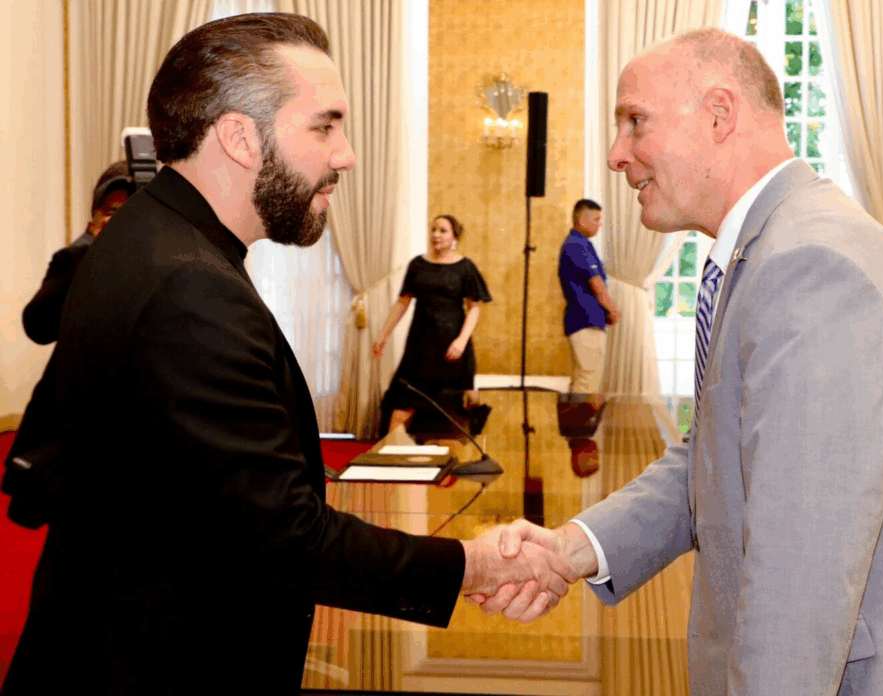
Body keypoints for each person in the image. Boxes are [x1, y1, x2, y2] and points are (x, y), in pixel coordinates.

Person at [1, 14, 572, 695]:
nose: (346, 155)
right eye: (324, 127)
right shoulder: (189, 284)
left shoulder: (153, 235)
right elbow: (282, 537)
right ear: (240, 136)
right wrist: (473, 565)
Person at [479, 28, 883, 695]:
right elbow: (713, 458)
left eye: (635, 121)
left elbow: (802, 574)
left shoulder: (811, 266)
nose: (617, 154)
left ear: (719, 113)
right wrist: (571, 549)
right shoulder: (770, 249)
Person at [372, 214, 491, 436]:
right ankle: (392, 451)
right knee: (404, 399)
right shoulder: (418, 265)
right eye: (433, 229)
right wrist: (383, 335)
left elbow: (474, 307)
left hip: (452, 347)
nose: (436, 235)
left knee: (453, 409)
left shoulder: (465, 267)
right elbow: (402, 302)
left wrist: (461, 340)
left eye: (443, 231)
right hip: (419, 346)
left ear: (454, 236)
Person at [21, 160, 133, 345]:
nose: (120, 223)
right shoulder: (73, 259)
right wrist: (91, 256)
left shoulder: (166, 265)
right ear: (94, 220)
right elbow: (38, 327)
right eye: (112, 212)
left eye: (130, 214)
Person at [558, 199, 619, 393]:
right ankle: (580, 414)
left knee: (584, 376)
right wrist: (613, 309)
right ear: (582, 220)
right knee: (588, 379)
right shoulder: (576, 245)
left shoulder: (581, 244)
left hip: (587, 319)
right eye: (596, 219)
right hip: (585, 319)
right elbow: (596, 284)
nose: (600, 224)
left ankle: (576, 413)